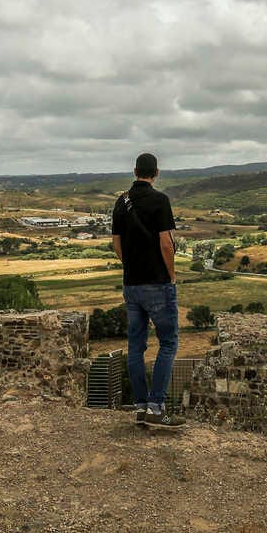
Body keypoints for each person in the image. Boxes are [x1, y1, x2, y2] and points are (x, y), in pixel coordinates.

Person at [112, 151, 182, 426]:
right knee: (168, 343)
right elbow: (166, 243)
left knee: (135, 347)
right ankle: (156, 408)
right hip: (157, 283)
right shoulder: (160, 200)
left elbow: (116, 244)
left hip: (131, 284)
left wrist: (131, 266)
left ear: (134, 171)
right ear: (156, 173)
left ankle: (140, 406)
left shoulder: (121, 202)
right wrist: (171, 275)